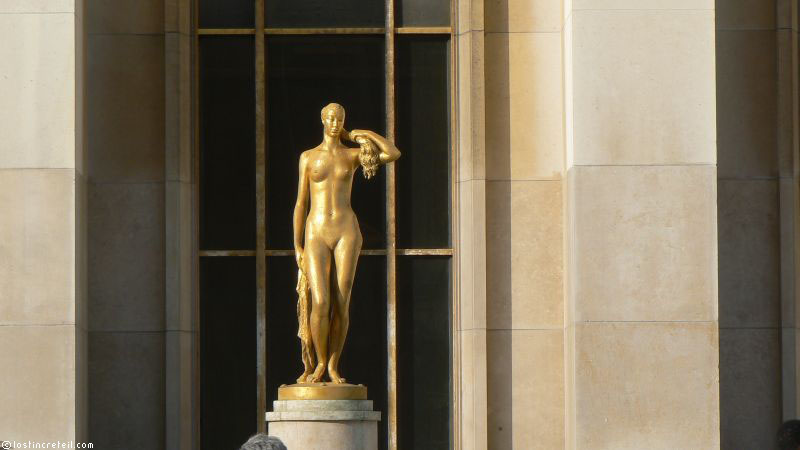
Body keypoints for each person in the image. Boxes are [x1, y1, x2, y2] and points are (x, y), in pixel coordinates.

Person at [293, 103, 400, 384]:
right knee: (320, 300)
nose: (333, 122)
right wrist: (297, 246)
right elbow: (300, 203)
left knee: (342, 301)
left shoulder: (352, 155)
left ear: (344, 122)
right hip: (316, 230)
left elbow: (392, 153)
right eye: (329, 118)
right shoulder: (308, 157)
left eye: (339, 119)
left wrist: (360, 134)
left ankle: (332, 365)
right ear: (321, 119)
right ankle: (316, 364)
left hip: (346, 230)